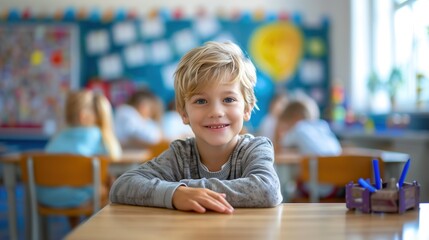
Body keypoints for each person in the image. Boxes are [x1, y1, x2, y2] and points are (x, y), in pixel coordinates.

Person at [109, 41, 283, 213]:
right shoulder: (180, 156)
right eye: (201, 101)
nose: (216, 112)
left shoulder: (256, 148)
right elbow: (122, 186)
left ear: (247, 108)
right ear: (184, 113)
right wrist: (176, 194)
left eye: (228, 99)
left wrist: (187, 188)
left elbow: (267, 190)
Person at [44, 89, 122, 225]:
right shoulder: (97, 135)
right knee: (109, 185)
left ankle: (75, 229)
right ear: (83, 116)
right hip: (77, 197)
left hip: (45, 196)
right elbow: (114, 155)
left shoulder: (58, 136)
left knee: (80, 182)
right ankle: (96, 229)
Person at [274, 99, 341, 199]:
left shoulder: (299, 128)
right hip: (337, 186)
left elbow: (282, 142)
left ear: (296, 118)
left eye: (287, 124)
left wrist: (280, 131)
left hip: (314, 189)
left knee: (289, 185)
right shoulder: (323, 125)